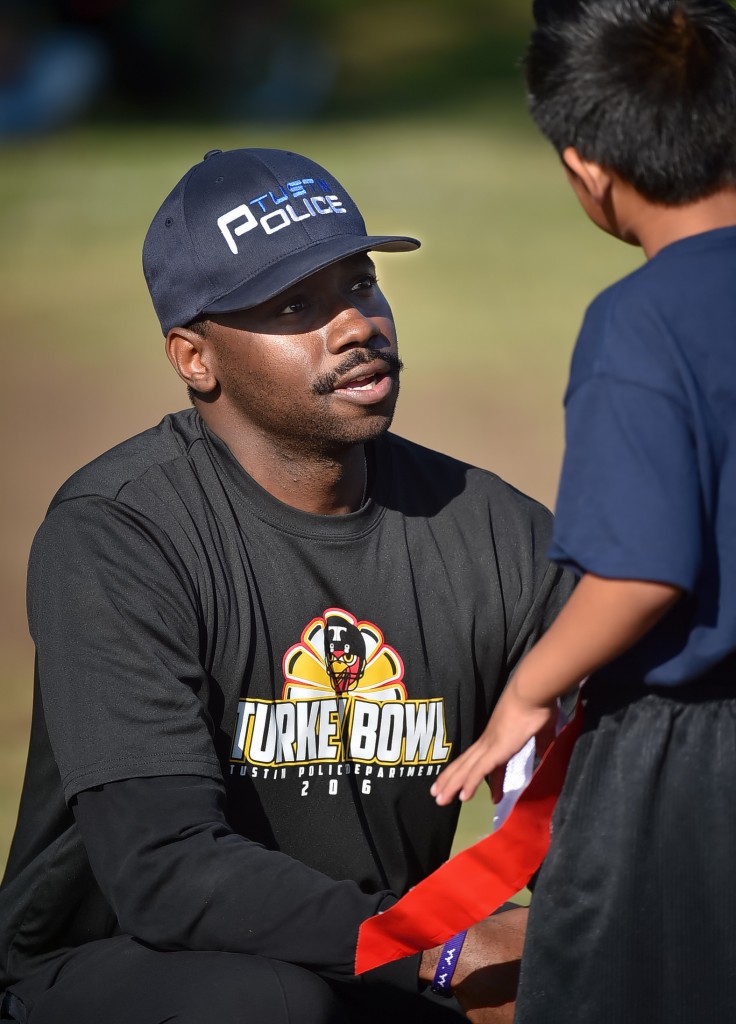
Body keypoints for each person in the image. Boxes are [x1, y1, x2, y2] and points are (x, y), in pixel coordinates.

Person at [0, 146, 572, 1024]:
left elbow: (623, 761)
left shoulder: (490, 528)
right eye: (296, 305)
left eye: (361, 284)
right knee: (270, 1003)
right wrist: (442, 944)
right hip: (124, 971)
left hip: (372, 956)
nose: (356, 326)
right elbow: (165, 870)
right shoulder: (118, 533)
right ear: (195, 358)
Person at [432, 1, 736, 1020]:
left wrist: (529, 687)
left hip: (689, 765)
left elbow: (642, 571)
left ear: (587, 173)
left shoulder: (639, 323)